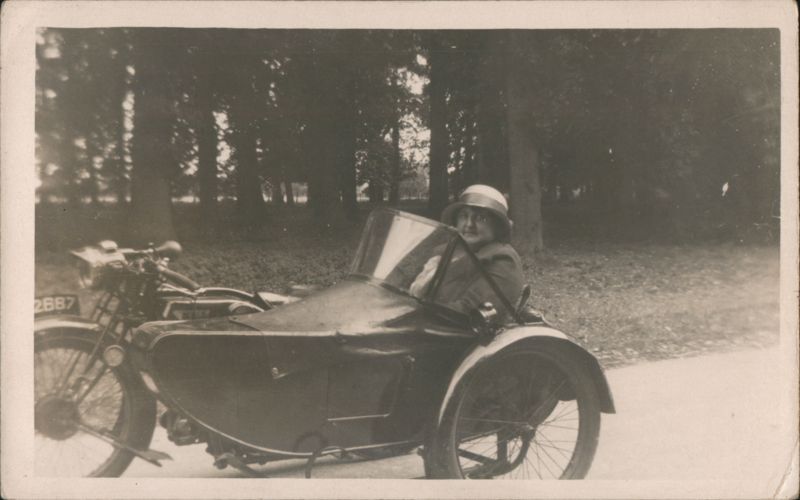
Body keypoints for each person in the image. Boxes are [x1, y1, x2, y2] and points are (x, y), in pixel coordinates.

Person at [410, 184, 524, 320]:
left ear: (497, 226)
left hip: (460, 333)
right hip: (420, 321)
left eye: (480, 218)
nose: (469, 224)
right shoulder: (444, 250)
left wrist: (414, 314)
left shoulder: (504, 259)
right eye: (464, 216)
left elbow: (469, 310)